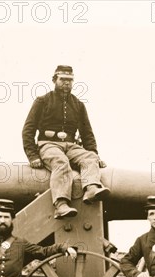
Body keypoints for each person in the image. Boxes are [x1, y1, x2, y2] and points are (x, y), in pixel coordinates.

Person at [22, 65, 110, 219]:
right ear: (54, 80)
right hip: (48, 144)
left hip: (71, 145)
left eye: (70, 80)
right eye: (62, 79)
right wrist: (32, 156)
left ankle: (91, 188)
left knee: (90, 157)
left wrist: (95, 155)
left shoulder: (78, 105)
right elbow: (28, 129)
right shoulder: (42, 101)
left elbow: (87, 133)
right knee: (61, 162)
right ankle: (61, 204)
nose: (66, 83)